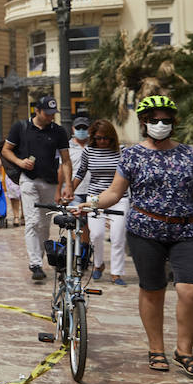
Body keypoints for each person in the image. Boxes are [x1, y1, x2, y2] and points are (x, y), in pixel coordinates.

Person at [79, 96, 193, 378]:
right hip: (146, 231)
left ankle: (184, 351)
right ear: (144, 122)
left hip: (186, 230)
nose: (161, 125)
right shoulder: (132, 155)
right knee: (153, 289)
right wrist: (90, 203)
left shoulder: (189, 154)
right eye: (154, 120)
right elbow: (114, 193)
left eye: (166, 120)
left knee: (191, 289)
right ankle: (156, 348)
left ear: (174, 123)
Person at [2, 95, 74, 282]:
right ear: (37, 111)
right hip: (29, 180)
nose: (51, 117)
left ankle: (39, 259)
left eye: (53, 113)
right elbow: (6, 150)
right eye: (47, 113)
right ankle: (35, 263)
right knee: (33, 221)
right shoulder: (21, 127)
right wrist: (20, 162)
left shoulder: (58, 131)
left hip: (49, 182)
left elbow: (66, 160)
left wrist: (68, 185)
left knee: (44, 224)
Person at [72, 118, 127, 286]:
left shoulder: (122, 151)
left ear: (112, 137)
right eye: (98, 138)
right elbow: (81, 173)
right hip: (95, 198)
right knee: (96, 234)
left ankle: (116, 273)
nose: (102, 141)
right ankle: (98, 264)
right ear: (93, 137)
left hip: (120, 198)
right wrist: (69, 190)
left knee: (118, 237)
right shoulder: (89, 151)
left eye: (106, 138)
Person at [68, 116, 91, 203]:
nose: (81, 130)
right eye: (78, 127)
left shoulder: (95, 146)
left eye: (84, 128)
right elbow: (62, 170)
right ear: (73, 129)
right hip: (75, 193)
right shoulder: (67, 148)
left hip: (92, 193)